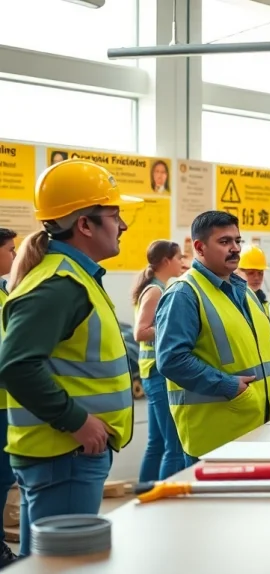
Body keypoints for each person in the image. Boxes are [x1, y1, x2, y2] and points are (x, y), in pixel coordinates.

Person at [0, 159, 141, 556]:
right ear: (84, 225)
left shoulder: (72, 277)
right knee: (64, 564)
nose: (123, 225)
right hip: (65, 453)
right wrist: (77, 422)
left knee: (43, 563)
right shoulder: (59, 285)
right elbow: (16, 366)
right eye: (114, 215)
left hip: (64, 454)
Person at [155, 211, 270, 464]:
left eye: (238, 241)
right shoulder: (184, 293)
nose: (235, 248)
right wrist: (229, 386)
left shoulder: (244, 291)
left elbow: (265, 343)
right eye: (225, 242)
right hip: (216, 435)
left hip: (258, 426)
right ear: (200, 248)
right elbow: (172, 359)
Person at [131, 240, 187, 482]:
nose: (182, 263)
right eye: (178, 258)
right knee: (173, 446)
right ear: (166, 260)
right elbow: (140, 332)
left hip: (152, 372)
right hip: (157, 372)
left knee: (156, 443)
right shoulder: (155, 290)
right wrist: (172, 325)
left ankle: (143, 495)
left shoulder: (157, 287)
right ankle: (163, 501)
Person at [0, 228, 17, 566]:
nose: (14, 256)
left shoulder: (4, 293)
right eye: (10, 249)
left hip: (8, 404)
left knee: (4, 479)